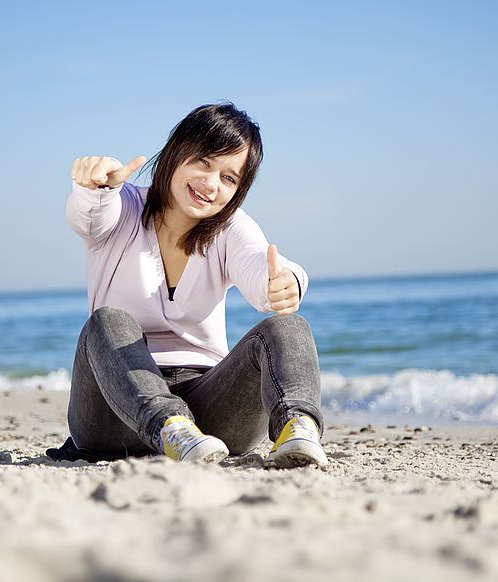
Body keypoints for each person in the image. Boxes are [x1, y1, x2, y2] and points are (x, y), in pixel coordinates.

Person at [45, 102, 326, 469]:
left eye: (229, 178)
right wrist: (92, 187)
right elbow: (91, 213)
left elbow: (259, 262)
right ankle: (169, 428)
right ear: (177, 152)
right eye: (204, 162)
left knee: (289, 326)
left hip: (208, 414)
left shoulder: (230, 228)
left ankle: (298, 429)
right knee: (106, 320)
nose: (211, 184)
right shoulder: (123, 207)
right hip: (112, 413)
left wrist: (284, 281)